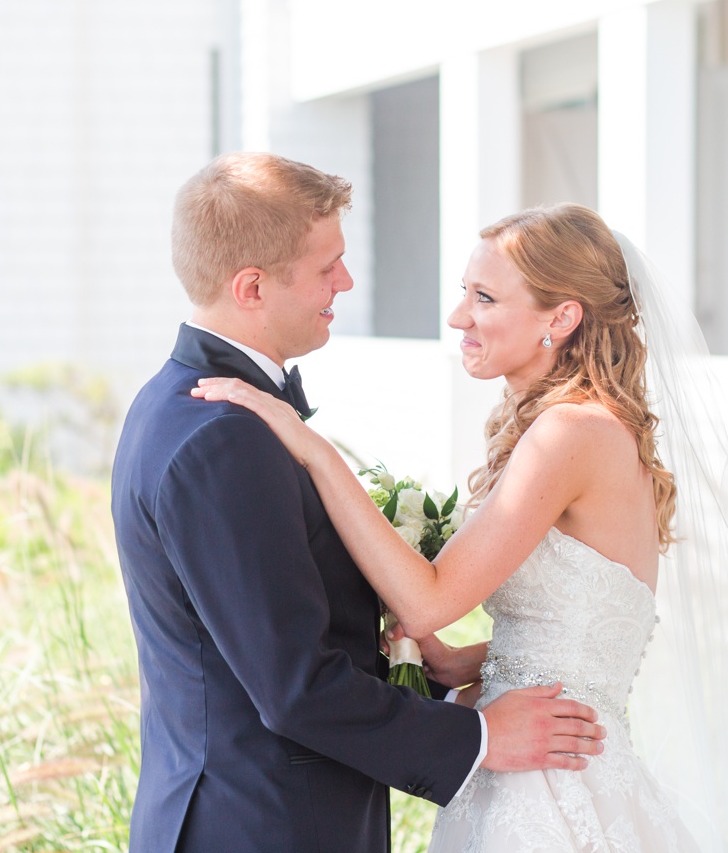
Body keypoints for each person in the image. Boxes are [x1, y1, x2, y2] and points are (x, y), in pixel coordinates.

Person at [196, 202, 728, 852]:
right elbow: (593, 632)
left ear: (561, 317)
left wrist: (312, 450)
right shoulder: (578, 424)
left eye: (485, 298)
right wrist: (463, 659)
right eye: (464, 293)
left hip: (552, 791)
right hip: (540, 759)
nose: (457, 317)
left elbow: (430, 598)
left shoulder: (571, 432)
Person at [111, 154, 607, 853]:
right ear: (251, 287)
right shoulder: (223, 436)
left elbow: (292, 633)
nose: (344, 282)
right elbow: (294, 687)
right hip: (260, 828)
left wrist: (444, 678)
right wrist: (484, 736)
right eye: (326, 268)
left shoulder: (187, 407)